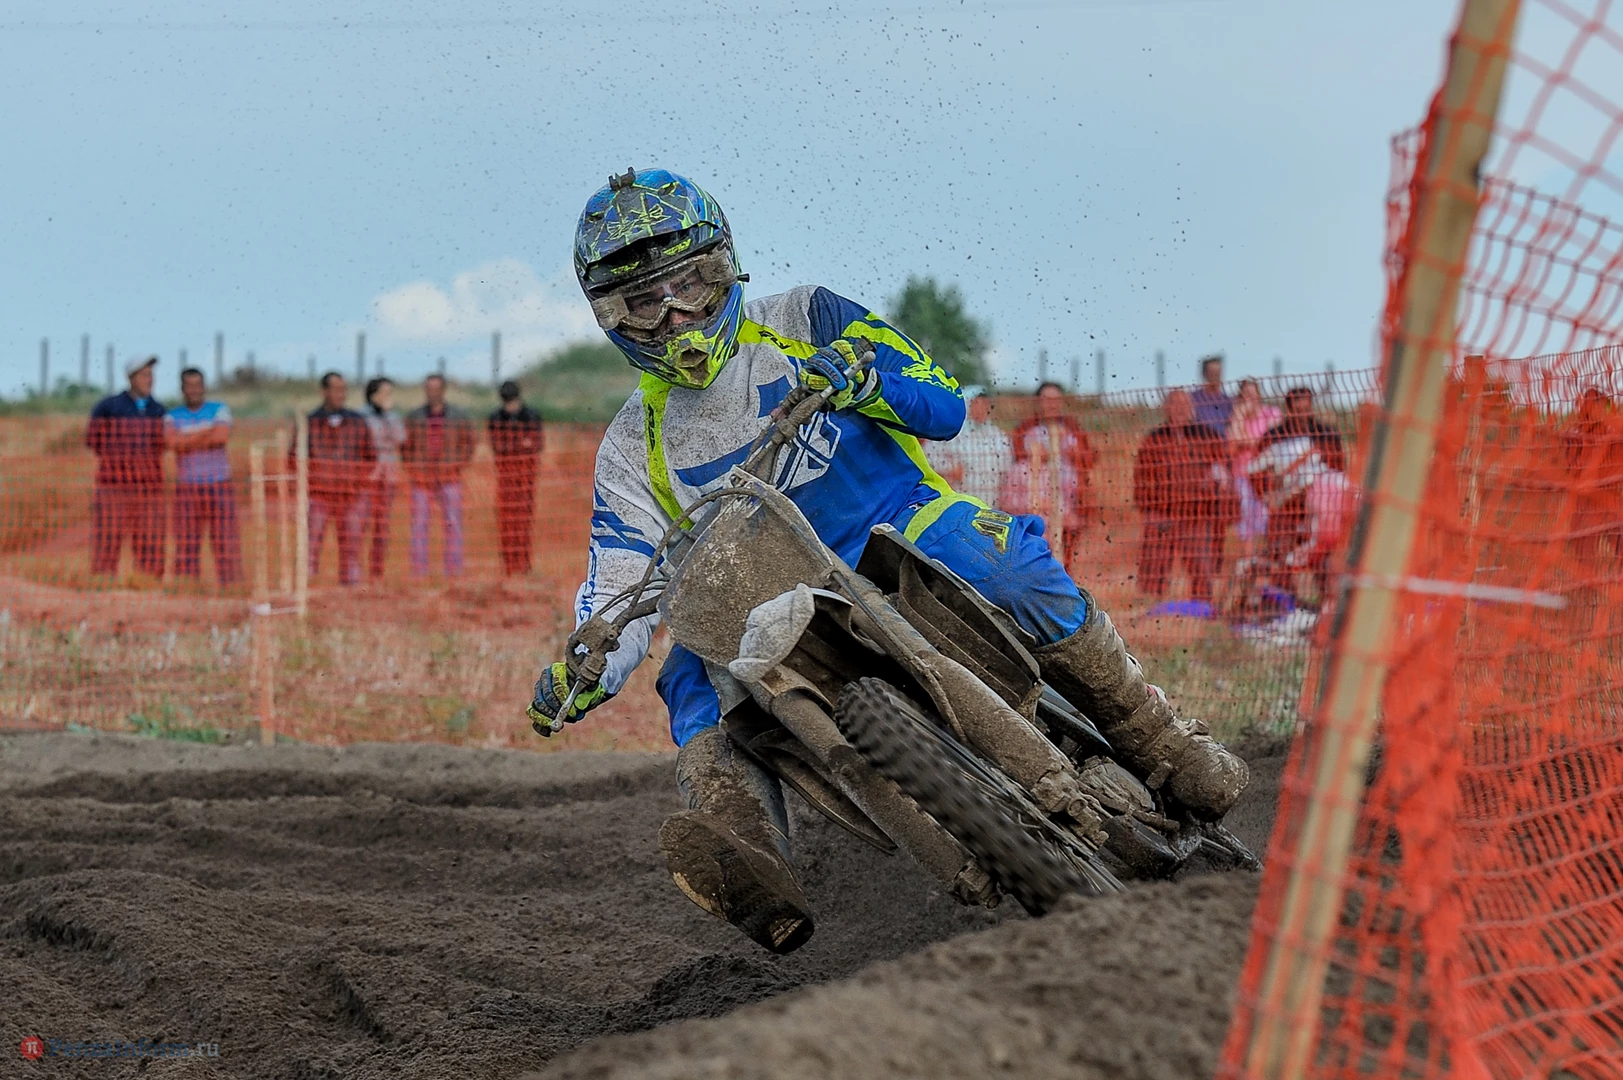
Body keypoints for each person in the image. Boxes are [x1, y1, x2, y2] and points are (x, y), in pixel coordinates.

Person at [525, 168, 1248, 955]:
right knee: (689, 681)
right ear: (611, 316)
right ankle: (751, 855)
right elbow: (622, 574)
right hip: (761, 592)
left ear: (725, 267)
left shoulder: (806, 316)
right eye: (644, 302)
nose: (675, 316)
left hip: (896, 524)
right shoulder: (630, 445)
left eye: (690, 285)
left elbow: (943, 403)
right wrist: (589, 659)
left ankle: (1157, 736)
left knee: (1003, 563)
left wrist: (865, 381)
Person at [1247, 387, 1351, 606]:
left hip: (1319, 512)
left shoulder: (1326, 435)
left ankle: (1328, 606)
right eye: (1298, 409)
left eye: (1306, 408)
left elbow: (1339, 469)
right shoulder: (1274, 437)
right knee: (1281, 556)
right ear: (1289, 410)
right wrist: (1267, 494)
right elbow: (1255, 472)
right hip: (1285, 510)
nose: (1303, 414)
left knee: (1324, 559)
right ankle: (1285, 607)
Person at [1132, 388, 1230, 602]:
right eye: (1175, 405)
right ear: (1166, 409)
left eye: (1184, 405)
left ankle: (1202, 608)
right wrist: (1149, 509)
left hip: (1196, 514)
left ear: (1192, 408)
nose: (1179, 410)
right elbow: (1142, 477)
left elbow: (1223, 469)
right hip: (1161, 513)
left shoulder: (1207, 436)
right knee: (1154, 565)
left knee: (1200, 566)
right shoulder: (1155, 439)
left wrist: (1214, 495)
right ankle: (1151, 606)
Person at [86, 355, 167, 577]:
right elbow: (93, 439)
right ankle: (103, 583)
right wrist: (117, 461)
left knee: (150, 538)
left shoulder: (158, 409)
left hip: (148, 487)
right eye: (144, 375)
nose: (149, 379)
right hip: (113, 486)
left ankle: (148, 584)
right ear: (131, 378)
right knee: (108, 537)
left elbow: (163, 444)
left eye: (151, 375)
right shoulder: (108, 406)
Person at [292, 372, 375, 585]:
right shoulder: (310, 422)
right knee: (311, 546)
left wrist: (357, 482)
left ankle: (351, 591)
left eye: (344, 389)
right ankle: (307, 590)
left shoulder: (358, 422)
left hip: (352, 495)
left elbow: (370, 457)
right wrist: (312, 482)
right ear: (324, 391)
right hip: (318, 495)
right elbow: (294, 459)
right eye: (336, 389)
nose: (341, 394)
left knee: (352, 548)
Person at [1006, 382, 1099, 569]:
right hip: (1037, 505)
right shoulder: (1025, 430)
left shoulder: (1073, 429)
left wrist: (1076, 455)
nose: (1051, 405)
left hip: (1069, 505)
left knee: (1066, 555)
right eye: (1046, 400)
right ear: (1037, 402)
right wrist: (1036, 456)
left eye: (1055, 400)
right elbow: (1017, 462)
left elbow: (1089, 459)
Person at [165, 367, 241, 584]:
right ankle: (187, 588)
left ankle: (231, 587)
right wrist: (207, 431)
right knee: (186, 542)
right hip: (187, 487)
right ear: (182, 389)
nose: (194, 390)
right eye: (189, 386)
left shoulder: (220, 409)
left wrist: (187, 438)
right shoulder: (172, 416)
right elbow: (173, 443)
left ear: (204, 387)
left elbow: (221, 437)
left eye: (198, 385)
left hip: (219, 484)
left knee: (225, 540)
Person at [402, 374, 475, 578]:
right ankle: (419, 572)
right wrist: (414, 469)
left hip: (450, 478)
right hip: (421, 480)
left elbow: (469, 443)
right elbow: (405, 447)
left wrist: (457, 466)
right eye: (429, 388)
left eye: (436, 388)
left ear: (443, 390)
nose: (432, 392)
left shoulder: (459, 416)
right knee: (419, 526)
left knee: (453, 525)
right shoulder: (414, 416)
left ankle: (453, 571)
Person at [488, 380, 545, 577]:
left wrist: (513, 445)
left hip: (526, 478)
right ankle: (509, 566)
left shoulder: (531, 416)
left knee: (524, 522)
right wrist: (521, 443)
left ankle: (524, 564)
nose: (510, 406)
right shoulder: (496, 418)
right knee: (506, 523)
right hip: (505, 479)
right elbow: (497, 446)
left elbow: (537, 444)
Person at [924, 388, 1010, 507]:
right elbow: (929, 456)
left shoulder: (999, 436)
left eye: (985, 404)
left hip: (990, 499)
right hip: (959, 496)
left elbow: (1006, 470)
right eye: (976, 404)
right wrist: (949, 469)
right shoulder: (952, 432)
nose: (981, 409)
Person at [1226, 378, 1283, 554]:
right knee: (1246, 519)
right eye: (1245, 395)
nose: (1249, 398)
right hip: (1242, 475)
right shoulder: (1237, 415)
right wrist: (1240, 414)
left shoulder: (1272, 413)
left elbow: (1269, 442)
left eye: (1253, 394)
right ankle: (1248, 559)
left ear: (1259, 395)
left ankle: (1266, 559)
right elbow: (1232, 445)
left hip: (1266, 476)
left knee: (1265, 517)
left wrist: (1245, 440)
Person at [361, 377, 407, 581]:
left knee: (382, 524)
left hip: (388, 476)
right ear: (373, 395)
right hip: (368, 475)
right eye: (384, 393)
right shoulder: (361, 415)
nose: (388, 397)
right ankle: (357, 570)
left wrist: (387, 416)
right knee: (362, 522)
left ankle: (376, 570)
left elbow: (400, 438)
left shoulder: (393, 416)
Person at [1190, 355, 1232, 434]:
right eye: (1211, 373)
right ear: (1204, 374)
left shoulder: (1228, 401)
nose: (1215, 376)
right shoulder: (1193, 398)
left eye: (1218, 373)